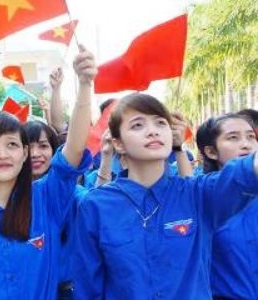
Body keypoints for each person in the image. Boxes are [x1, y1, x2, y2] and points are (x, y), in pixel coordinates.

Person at [0, 47, 95, 299]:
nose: (2, 154)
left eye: (11, 145)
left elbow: (74, 149)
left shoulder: (46, 199)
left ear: (24, 154)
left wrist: (85, 84)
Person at [72, 94, 258, 298]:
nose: (153, 131)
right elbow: (88, 288)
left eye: (160, 123)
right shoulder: (96, 205)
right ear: (118, 144)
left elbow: (241, 175)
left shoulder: (198, 193)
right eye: (137, 125)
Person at [196, 114, 258, 298]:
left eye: (251, 136)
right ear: (211, 152)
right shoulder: (199, 199)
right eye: (233, 137)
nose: (246, 144)